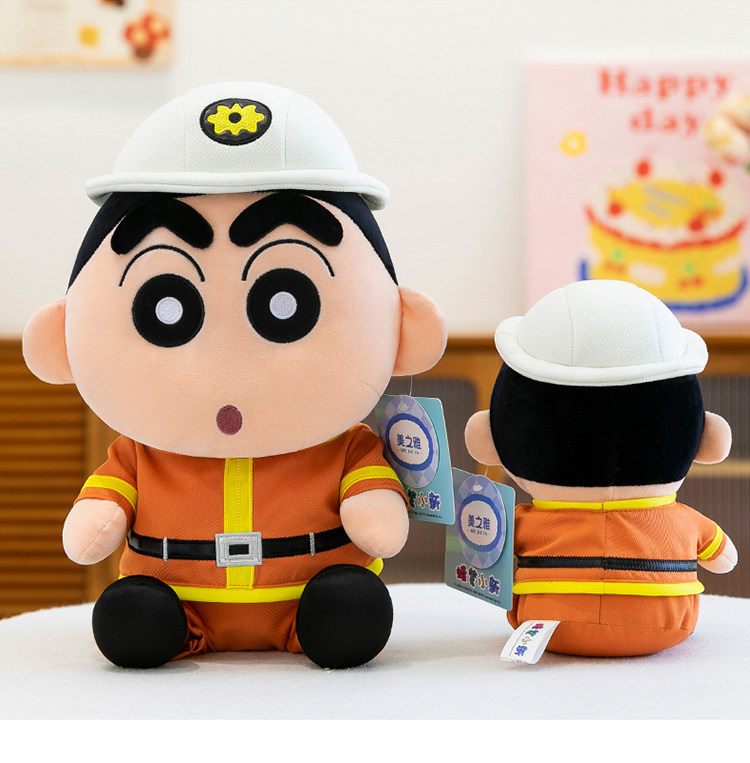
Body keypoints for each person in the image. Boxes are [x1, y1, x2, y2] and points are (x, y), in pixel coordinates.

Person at [23, 82, 446, 669]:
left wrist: (374, 508)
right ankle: (161, 622)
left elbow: (376, 515)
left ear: (404, 328)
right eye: (166, 308)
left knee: (350, 607)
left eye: (286, 303)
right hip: (177, 601)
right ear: (61, 339)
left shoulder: (348, 449)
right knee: (133, 619)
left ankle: (327, 617)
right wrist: (99, 519)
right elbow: (99, 517)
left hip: (311, 599)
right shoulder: (140, 457)